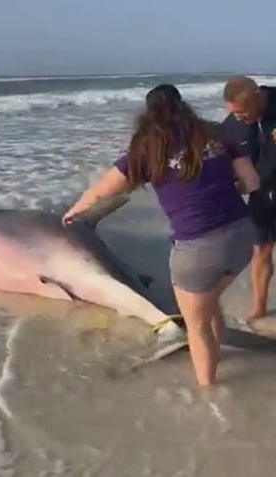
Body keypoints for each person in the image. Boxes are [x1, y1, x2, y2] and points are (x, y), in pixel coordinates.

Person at [62, 84, 260, 387]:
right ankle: (218, 349)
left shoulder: (146, 148)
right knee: (209, 303)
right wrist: (220, 194)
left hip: (197, 249)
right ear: (182, 105)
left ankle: (209, 392)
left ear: (148, 113)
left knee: (196, 325)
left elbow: (102, 190)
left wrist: (74, 211)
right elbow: (252, 182)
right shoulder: (217, 133)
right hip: (243, 236)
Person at [221, 76, 276, 324]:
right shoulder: (233, 125)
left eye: (242, 112)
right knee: (261, 251)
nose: (239, 118)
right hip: (262, 196)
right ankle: (259, 308)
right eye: (234, 113)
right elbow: (218, 157)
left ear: (257, 97)